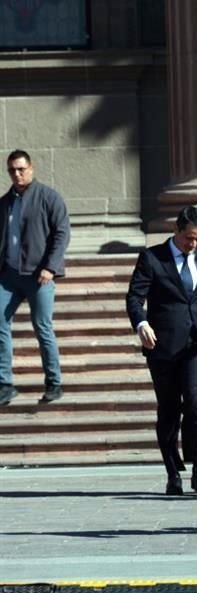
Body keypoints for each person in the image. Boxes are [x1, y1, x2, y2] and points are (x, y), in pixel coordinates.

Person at [125, 206, 197, 495]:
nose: (194, 244)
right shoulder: (152, 258)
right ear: (177, 231)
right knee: (169, 409)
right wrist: (141, 323)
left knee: (196, 402)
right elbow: (134, 297)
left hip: (195, 343)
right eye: (190, 238)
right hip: (162, 346)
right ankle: (172, 472)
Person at [0, 149, 70, 405]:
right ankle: (5, 384)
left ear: (31, 169)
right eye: (12, 170)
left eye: (21, 169)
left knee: (42, 327)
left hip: (39, 275)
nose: (17, 174)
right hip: (8, 275)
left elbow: (62, 233)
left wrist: (51, 266)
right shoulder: (5, 203)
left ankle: (54, 382)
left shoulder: (48, 198)